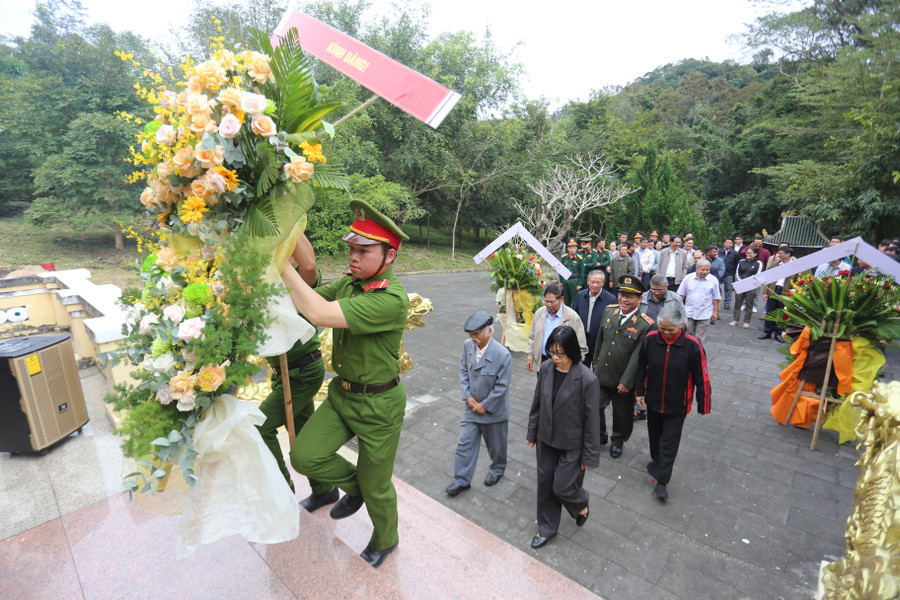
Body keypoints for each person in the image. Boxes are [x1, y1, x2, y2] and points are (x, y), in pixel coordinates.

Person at [281, 199, 409, 568]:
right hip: (343, 395)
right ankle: (356, 487)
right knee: (304, 456)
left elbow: (319, 313)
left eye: (363, 251)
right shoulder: (351, 285)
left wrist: (279, 266)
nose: (353, 257)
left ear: (389, 257)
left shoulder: (389, 299)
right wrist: (286, 243)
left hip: (379, 407)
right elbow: (303, 301)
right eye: (351, 248)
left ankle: (386, 538)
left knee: (379, 486)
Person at [257, 234, 335, 511]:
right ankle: (325, 490)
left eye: (284, 252)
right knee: (302, 431)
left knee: (260, 427)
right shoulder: (259, 286)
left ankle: (282, 490)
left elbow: (311, 265)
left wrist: (288, 220)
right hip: (284, 374)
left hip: (303, 371)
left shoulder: (297, 286)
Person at [526, 326, 600, 549]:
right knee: (545, 485)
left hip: (572, 444)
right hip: (546, 439)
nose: (555, 357)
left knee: (563, 487)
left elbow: (592, 421)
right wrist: (532, 432)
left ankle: (580, 502)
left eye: (560, 353)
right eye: (552, 351)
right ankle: (546, 528)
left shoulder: (587, 380)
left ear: (572, 352)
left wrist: (590, 456)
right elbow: (537, 403)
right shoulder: (547, 368)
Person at [635, 307, 711, 500]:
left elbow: (702, 377)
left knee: (669, 442)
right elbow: (641, 367)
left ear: (682, 325)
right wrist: (639, 392)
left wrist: (703, 404)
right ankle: (657, 462)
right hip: (653, 401)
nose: (667, 333)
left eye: (671, 330)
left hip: (677, 405)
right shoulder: (651, 340)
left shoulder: (693, 346)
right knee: (655, 437)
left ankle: (662, 481)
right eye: (663, 329)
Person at [445, 311, 512, 497]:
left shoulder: (502, 355)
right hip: (471, 409)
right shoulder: (468, 346)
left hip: (493, 412)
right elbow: (463, 370)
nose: (474, 338)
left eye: (477, 334)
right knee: (464, 445)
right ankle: (461, 481)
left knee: (497, 447)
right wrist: (467, 396)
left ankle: (497, 469)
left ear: (490, 331)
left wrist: (485, 406)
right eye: (471, 334)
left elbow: (502, 387)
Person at [591, 275, 654, 459]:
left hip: (622, 379)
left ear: (639, 299)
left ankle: (618, 441)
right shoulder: (609, 312)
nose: (624, 299)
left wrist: (626, 381)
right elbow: (600, 342)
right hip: (602, 373)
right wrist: (595, 364)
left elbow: (638, 358)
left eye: (630, 296)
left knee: (622, 414)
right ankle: (599, 436)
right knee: (594, 407)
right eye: (622, 294)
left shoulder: (645, 324)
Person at [526, 283, 588, 372]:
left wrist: (574, 367)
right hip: (542, 362)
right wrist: (530, 356)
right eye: (546, 301)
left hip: (563, 366)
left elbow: (582, 347)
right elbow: (532, 337)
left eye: (552, 302)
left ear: (561, 299)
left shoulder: (572, 317)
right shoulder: (539, 313)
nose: (549, 305)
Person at [575, 270, 617, 366]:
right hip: (582, 340)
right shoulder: (580, 295)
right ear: (587, 281)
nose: (595, 285)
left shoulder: (611, 299)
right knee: (581, 370)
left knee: (597, 371)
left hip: (599, 342)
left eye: (598, 282)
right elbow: (575, 316)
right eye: (592, 282)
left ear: (603, 283)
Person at [677, 259, 721, 345]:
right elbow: (681, 295)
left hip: (705, 313)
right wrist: (677, 310)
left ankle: (697, 355)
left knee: (699, 339)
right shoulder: (688, 278)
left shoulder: (713, 280)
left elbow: (716, 298)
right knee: (686, 335)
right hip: (689, 312)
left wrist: (715, 312)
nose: (705, 272)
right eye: (703, 269)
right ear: (697, 268)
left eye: (707, 270)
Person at [758, 246, 797, 343]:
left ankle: (779, 334)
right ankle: (767, 331)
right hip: (773, 290)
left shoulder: (796, 265)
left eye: (781, 253)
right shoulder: (776, 264)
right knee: (770, 312)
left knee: (783, 314)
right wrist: (765, 292)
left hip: (786, 292)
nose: (778, 255)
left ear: (788, 254)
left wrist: (793, 292)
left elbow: (798, 280)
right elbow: (768, 278)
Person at [730, 245, 763, 328]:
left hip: (751, 286)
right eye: (747, 253)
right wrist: (741, 282)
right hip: (741, 284)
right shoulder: (741, 261)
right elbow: (737, 272)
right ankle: (735, 320)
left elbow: (757, 274)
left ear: (755, 254)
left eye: (751, 253)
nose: (748, 254)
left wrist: (749, 283)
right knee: (738, 303)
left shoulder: (758, 263)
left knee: (749, 303)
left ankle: (746, 321)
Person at [560, 238, 584, 308]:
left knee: (575, 300)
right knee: (566, 299)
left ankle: (574, 315)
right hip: (566, 280)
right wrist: (561, 281)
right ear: (568, 248)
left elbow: (582, 272)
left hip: (574, 281)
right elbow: (561, 270)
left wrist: (580, 284)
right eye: (570, 247)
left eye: (574, 247)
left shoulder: (579, 259)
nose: (572, 249)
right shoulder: (564, 258)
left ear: (576, 248)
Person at [721, 237, 740, 310]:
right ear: (724, 243)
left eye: (730, 243)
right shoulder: (719, 251)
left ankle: (727, 303)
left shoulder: (735, 253)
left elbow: (737, 264)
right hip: (720, 273)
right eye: (726, 242)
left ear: (732, 244)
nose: (728, 244)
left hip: (729, 273)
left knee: (728, 288)